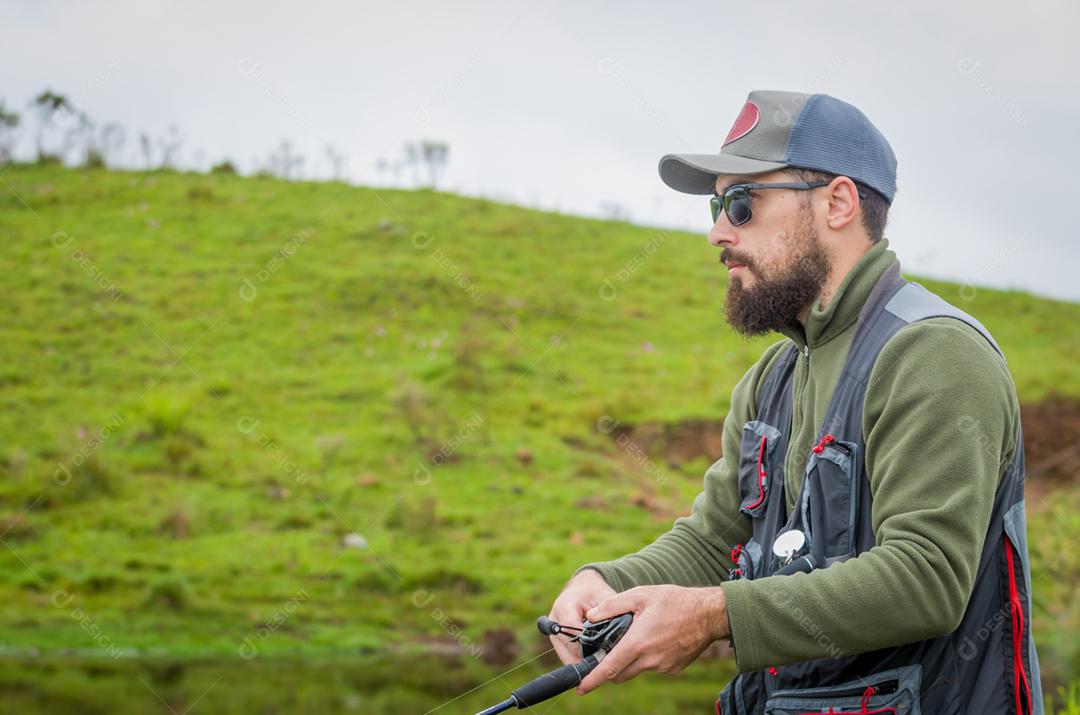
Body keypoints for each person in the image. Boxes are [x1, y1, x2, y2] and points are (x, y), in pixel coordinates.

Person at [547, 90, 1042, 714]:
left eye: (742, 203)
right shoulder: (773, 376)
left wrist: (712, 616)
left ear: (837, 203)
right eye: (716, 204)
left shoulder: (935, 355)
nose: (717, 231)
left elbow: (925, 579)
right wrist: (607, 584)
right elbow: (715, 540)